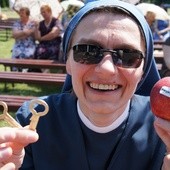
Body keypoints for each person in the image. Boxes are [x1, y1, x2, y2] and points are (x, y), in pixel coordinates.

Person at [1, 0, 170, 169]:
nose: (106, 69)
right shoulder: (34, 120)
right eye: (87, 51)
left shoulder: (164, 129)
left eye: (128, 55)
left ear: (143, 70)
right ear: (67, 61)